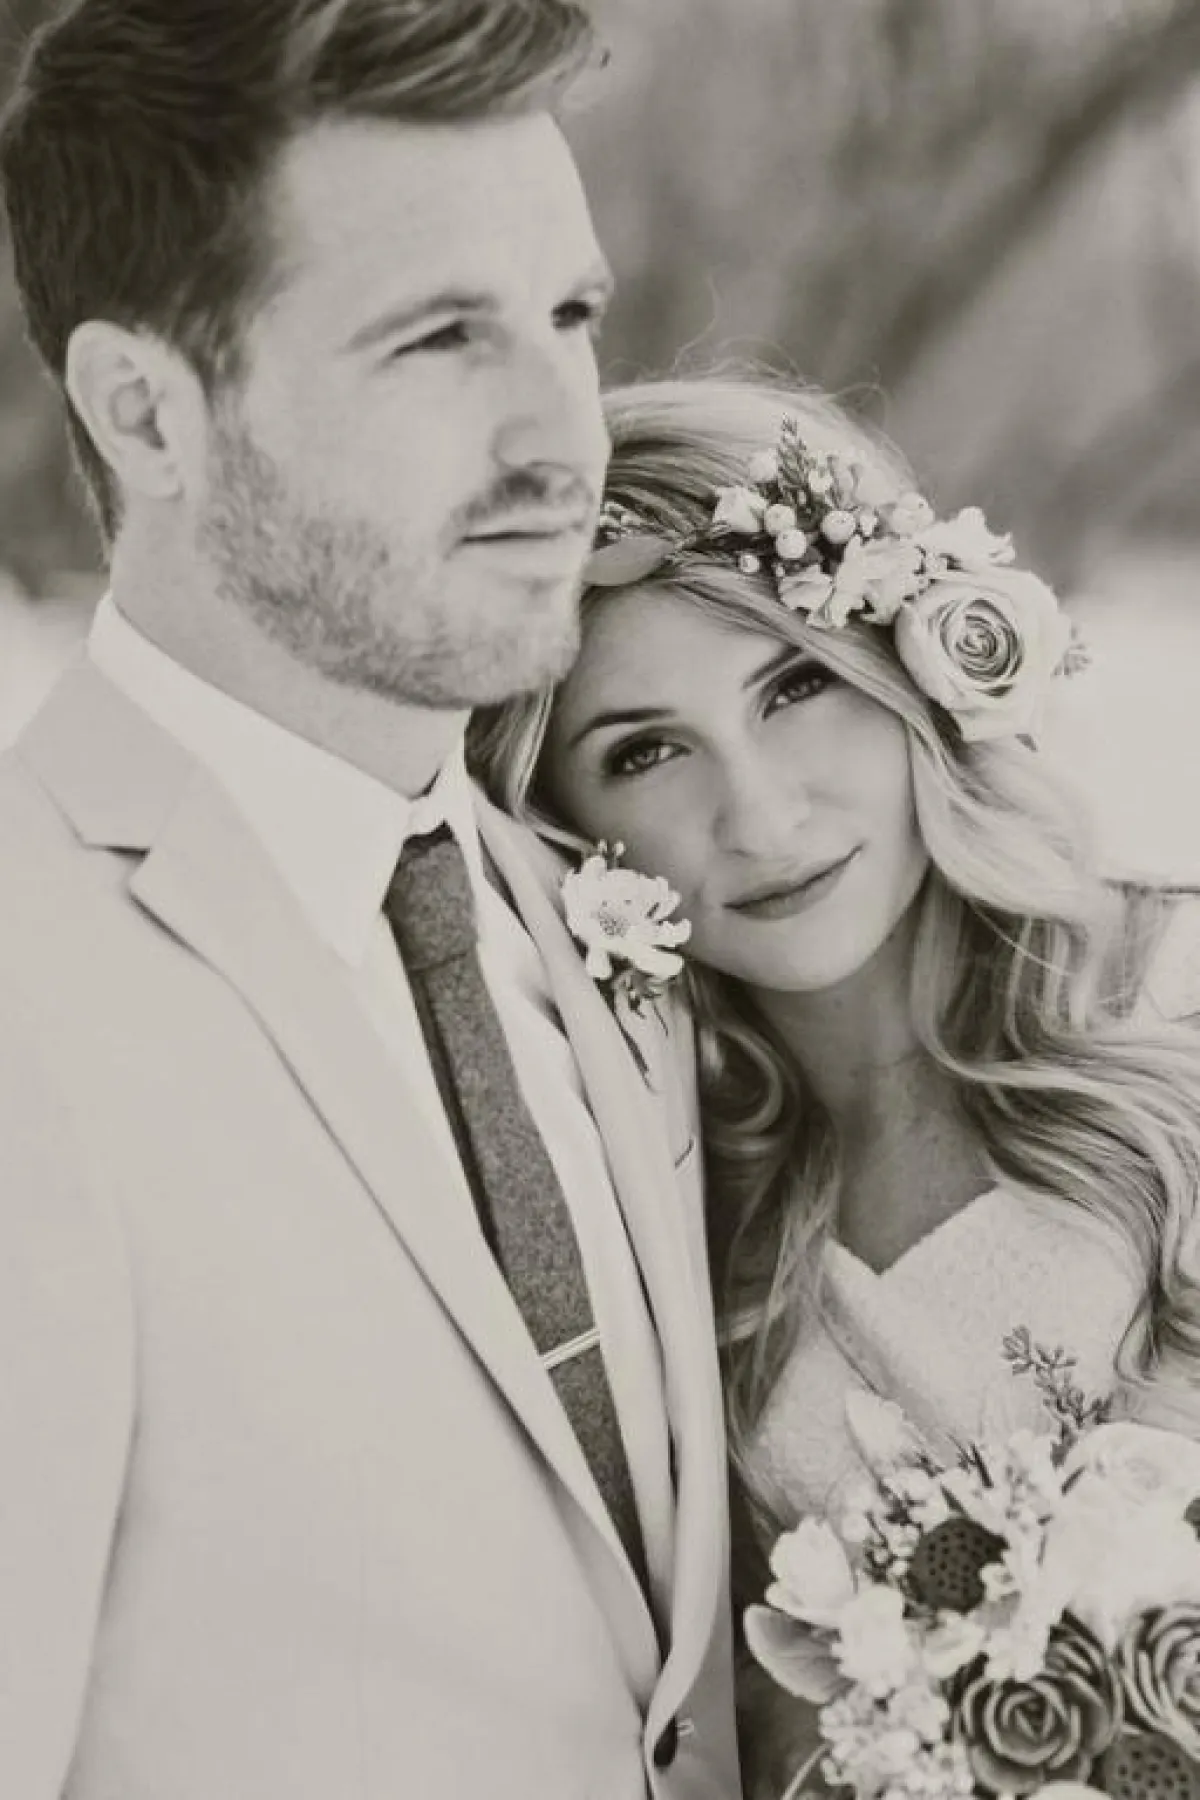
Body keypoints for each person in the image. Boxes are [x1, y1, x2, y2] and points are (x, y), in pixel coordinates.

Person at [0, 9, 740, 1798]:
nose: (561, 435)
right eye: (439, 338)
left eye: (570, 316)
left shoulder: (592, 911)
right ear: (146, 413)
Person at [470, 372, 1200, 1790]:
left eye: (795, 686)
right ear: (563, 824)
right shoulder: (658, 1217)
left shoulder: (1171, 1003)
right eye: (646, 751)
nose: (761, 815)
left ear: (916, 667)